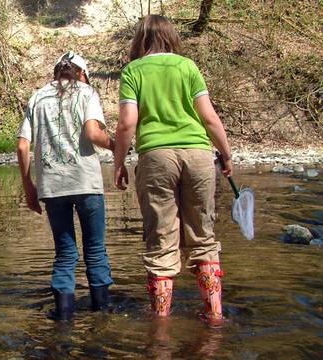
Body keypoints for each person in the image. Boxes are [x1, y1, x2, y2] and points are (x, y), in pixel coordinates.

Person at [113, 15, 233, 326]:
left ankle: (161, 326)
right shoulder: (187, 67)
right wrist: (226, 153)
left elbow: (127, 123)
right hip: (197, 154)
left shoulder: (133, 71)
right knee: (203, 238)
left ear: (140, 40)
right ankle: (215, 316)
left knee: (161, 241)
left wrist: (119, 163)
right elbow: (209, 117)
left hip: (156, 156)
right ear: (171, 37)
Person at [17, 51, 115, 321]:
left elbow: (22, 145)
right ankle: (102, 314)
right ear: (81, 74)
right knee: (94, 250)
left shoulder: (37, 96)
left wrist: (29, 188)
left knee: (65, 253)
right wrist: (117, 147)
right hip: (85, 181)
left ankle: (63, 316)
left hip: (52, 185)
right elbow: (94, 133)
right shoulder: (86, 92)